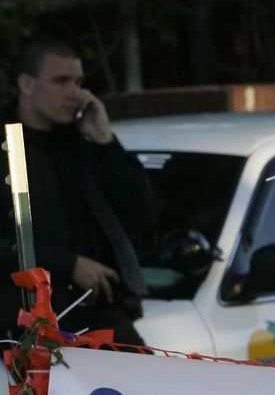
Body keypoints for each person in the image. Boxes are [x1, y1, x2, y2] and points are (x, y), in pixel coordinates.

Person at [0, 36, 158, 345]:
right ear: (26, 84)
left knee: (151, 385)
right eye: (60, 81)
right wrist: (68, 264)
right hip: (22, 320)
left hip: (96, 311)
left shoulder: (79, 144)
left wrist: (105, 140)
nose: (75, 93)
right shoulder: (8, 147)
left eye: (78, 82)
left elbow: (143, 212)